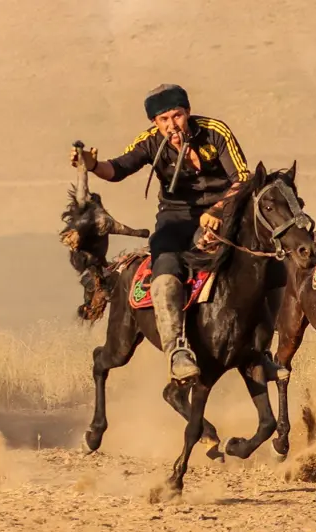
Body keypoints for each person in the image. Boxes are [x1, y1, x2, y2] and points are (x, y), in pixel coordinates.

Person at [69, 83, 257, 382]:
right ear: (155, 123)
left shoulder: (215, 132)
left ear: (188, 112)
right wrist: (92, 165)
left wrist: (218, 211)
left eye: (177, 116)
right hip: (176, 217)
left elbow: (243, 178)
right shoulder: (150, 142)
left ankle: (265, 343)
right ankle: (177, 350)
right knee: (165, 267)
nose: (172, 125)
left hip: (227, 213)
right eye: (164, 120)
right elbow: (118, 168)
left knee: (266, 252)